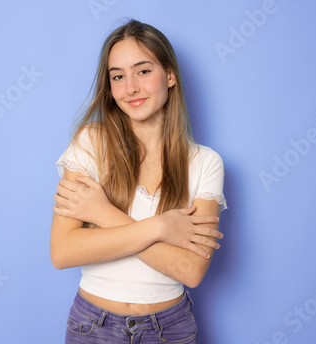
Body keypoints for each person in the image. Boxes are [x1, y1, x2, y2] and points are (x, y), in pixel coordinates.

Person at [50, 18, 227, 344]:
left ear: (170, 76)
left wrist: (102, 214)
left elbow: (190, 270)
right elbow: (62, 251)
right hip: (93, 326)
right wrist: (161, 227)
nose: (130, 87)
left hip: (170, 329)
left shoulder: (205, 162)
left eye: (143, 71)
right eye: (118, 76)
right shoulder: (91, 142)